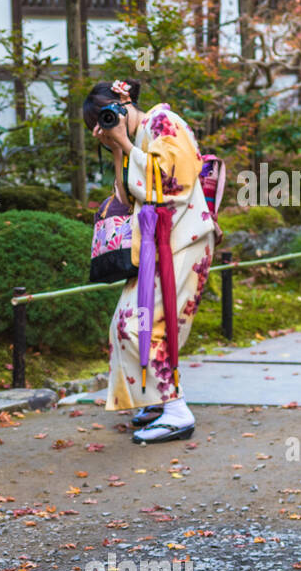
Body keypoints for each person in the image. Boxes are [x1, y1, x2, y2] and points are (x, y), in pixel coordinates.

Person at [84, 78, 215, 444]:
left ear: (124, 100)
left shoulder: (162, 122)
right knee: (126, 321)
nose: (107, 124)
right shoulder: (134, 137)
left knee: (144, 322)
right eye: (99, 123)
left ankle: (175, 410)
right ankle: (158, 401)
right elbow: (126, 196)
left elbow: (173, 182)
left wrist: (125, 143)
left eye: (108, 114)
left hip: (183, 238)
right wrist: (117, 150)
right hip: (155, 243)